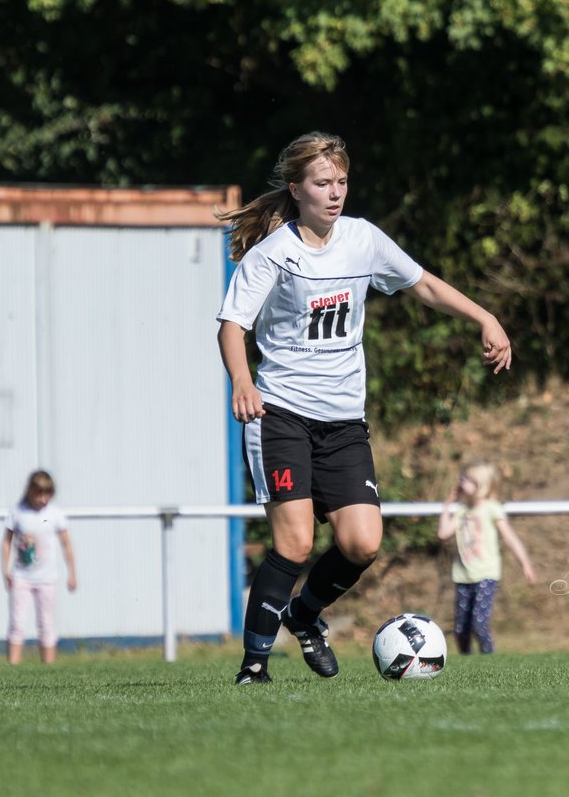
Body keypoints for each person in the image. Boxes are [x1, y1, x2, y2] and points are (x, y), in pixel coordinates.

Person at [216, 131, 513, 685]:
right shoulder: (273, 254)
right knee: (296, 541)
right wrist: (241, 380)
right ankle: (254, 666)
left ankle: (304, 616)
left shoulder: (362, 240)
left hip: (344, 422)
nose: (335, 193)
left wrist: (484, 317)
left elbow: (421, 284)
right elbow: (233, 326)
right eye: (323, 183)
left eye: (342, 182)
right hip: (280, 414)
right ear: (296, 188)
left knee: (361, 542)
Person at [436, 460, 536, 654]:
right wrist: (447, 506)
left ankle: (488, 659)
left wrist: (525, 564)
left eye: (466, 479)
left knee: (478, 624)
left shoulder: (492, 508)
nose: (461, 482)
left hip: (486, 575)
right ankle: (468, 662)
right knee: (460, 629)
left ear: (480, 485)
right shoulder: (462, 511)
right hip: (463, 576)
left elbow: (510, 538)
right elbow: (442, 533)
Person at [2, 470, 77, 664]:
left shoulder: (55, 514)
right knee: (17, 623)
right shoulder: (18, 512)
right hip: (22, 576)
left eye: (47, 494)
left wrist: (72, 574)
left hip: (47, 578)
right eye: (38, 493)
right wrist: (6, 570)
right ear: (30, 491)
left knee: (46, 624)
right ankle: (13, 665)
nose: (42, 498)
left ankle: (48, 666)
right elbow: (7, 543)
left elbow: (66, 544)